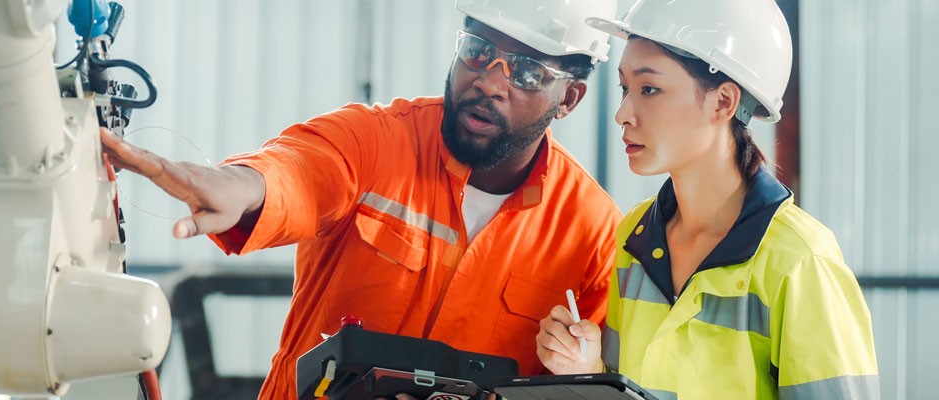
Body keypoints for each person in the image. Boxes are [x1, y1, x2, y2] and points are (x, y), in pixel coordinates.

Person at [102, 0, 621, 398]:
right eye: (478, 51)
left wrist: (587, 371)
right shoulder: (378, 142)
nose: (488, 81)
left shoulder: (591, 231)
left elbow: (586, 385)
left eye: (527, 71)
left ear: (570, 98)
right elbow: (304, 170)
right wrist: (241, 185)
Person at [533, 1, 880, 399]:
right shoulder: (636, 235)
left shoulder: (801, 260)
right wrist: (589, 369)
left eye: (649, 89)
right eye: (625, 88)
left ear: (723, 102)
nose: (623, 114)